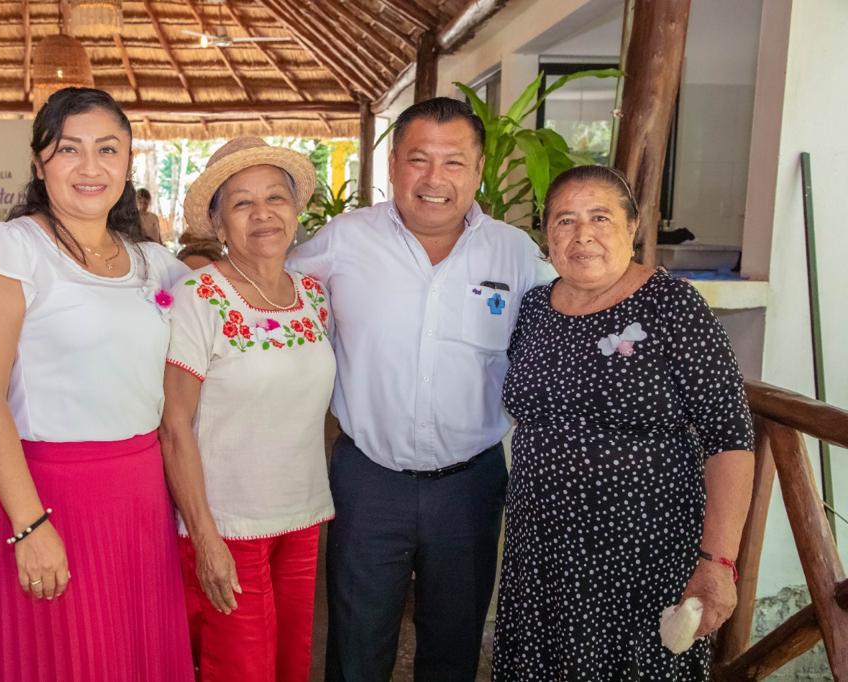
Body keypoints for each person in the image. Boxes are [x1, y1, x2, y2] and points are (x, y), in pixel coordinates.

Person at [288, 97, 546, 681]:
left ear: (479, 171)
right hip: (367, 479)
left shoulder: (516, 253)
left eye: (454, 162)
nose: (434, 179)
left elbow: (574, 317)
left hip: (470, 484)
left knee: (453, 648)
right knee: (356, 643)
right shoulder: (343, 240)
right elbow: (269, 291)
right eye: (418, 160)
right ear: (393, 166)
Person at [0, 87, 194, 681]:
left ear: (128, 161)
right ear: (39, 163)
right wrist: (30, 525)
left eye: (107, 149)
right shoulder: (10, 250)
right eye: (69, 149)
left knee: (135, 656)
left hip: (140, 494)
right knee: (69, 659)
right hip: (51, 496)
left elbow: (215, 320)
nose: (90, 167)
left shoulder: (153, 263)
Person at [492, 165, 754, 680]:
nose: (582, 234)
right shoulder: (534, 309)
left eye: (600, 217)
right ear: (546, 233)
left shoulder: (673, 306)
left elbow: (731, 438)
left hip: (641, 554)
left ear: (632, 227)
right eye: (565, 220)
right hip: (541, 547)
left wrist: (718, 562)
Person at [163, 137, 335, 682]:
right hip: (228, 524)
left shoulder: (313, 296)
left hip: (302, 515)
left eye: (275, 198)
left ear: (295, 210)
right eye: (241, 203)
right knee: (238, 668)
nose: (262, 214)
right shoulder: (197, 298)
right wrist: (206, 538)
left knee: (289, 664)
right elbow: (174, 428)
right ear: (218, 225)